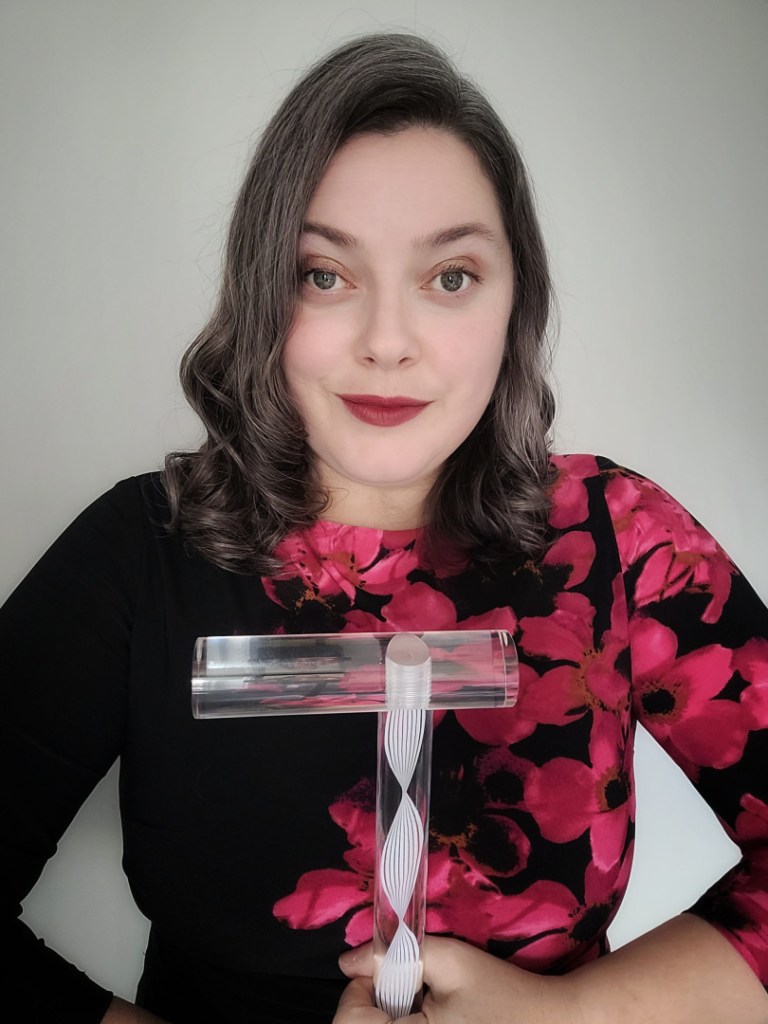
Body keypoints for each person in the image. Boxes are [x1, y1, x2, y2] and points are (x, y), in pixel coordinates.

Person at [2, 32, 767, 1024]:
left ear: (515, 302)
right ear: (262, 293)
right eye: (325, 274)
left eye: (450, 277)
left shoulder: (620, 542)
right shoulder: (139, 551)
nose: (389, 342)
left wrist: (568, 1015)